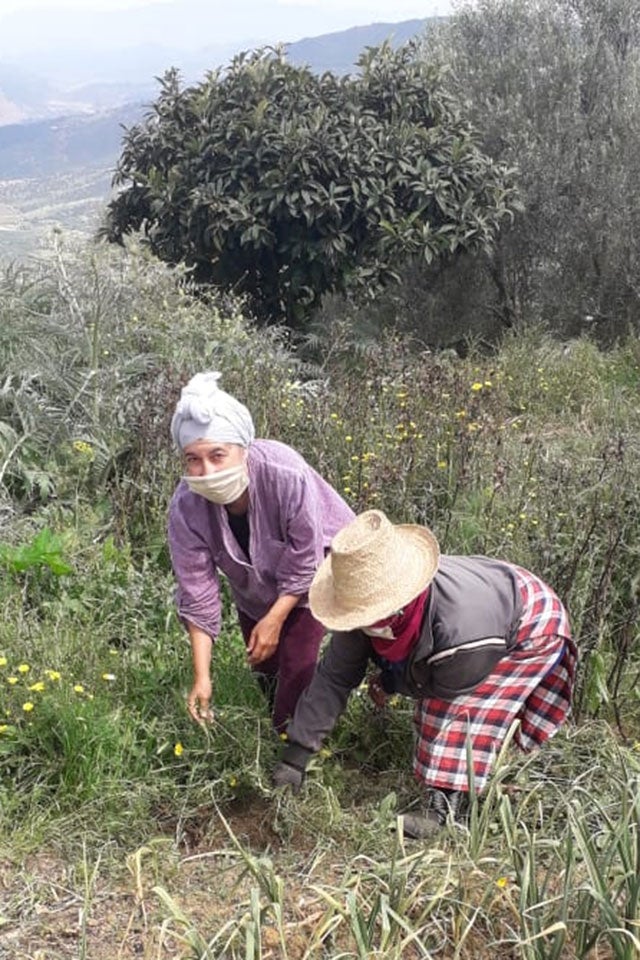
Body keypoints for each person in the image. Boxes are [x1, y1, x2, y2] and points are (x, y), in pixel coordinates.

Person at [272, 509, 577, 837]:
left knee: (454, 713)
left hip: (529, 623)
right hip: (494, 593)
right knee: (438, 709)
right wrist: (296, 757)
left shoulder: (459, 631)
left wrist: (391, 680)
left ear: (397, 604)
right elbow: (334, 678)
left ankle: (446, 813)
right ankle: (469, 788)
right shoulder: (360, 610)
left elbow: (445, 692)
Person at [168, 371, 354, 732]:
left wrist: (275, 618)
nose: (206, 471)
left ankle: (293, 751)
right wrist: (202, 678)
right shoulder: (187, 507)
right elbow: (197, 591)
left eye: (218, 455)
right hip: (253, 588)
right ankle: (285, 724)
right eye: (193, 459)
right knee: (265, 668)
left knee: (296, 669)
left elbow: (305, 557)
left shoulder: (284, 474)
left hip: (313, 575)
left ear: (243, 449)